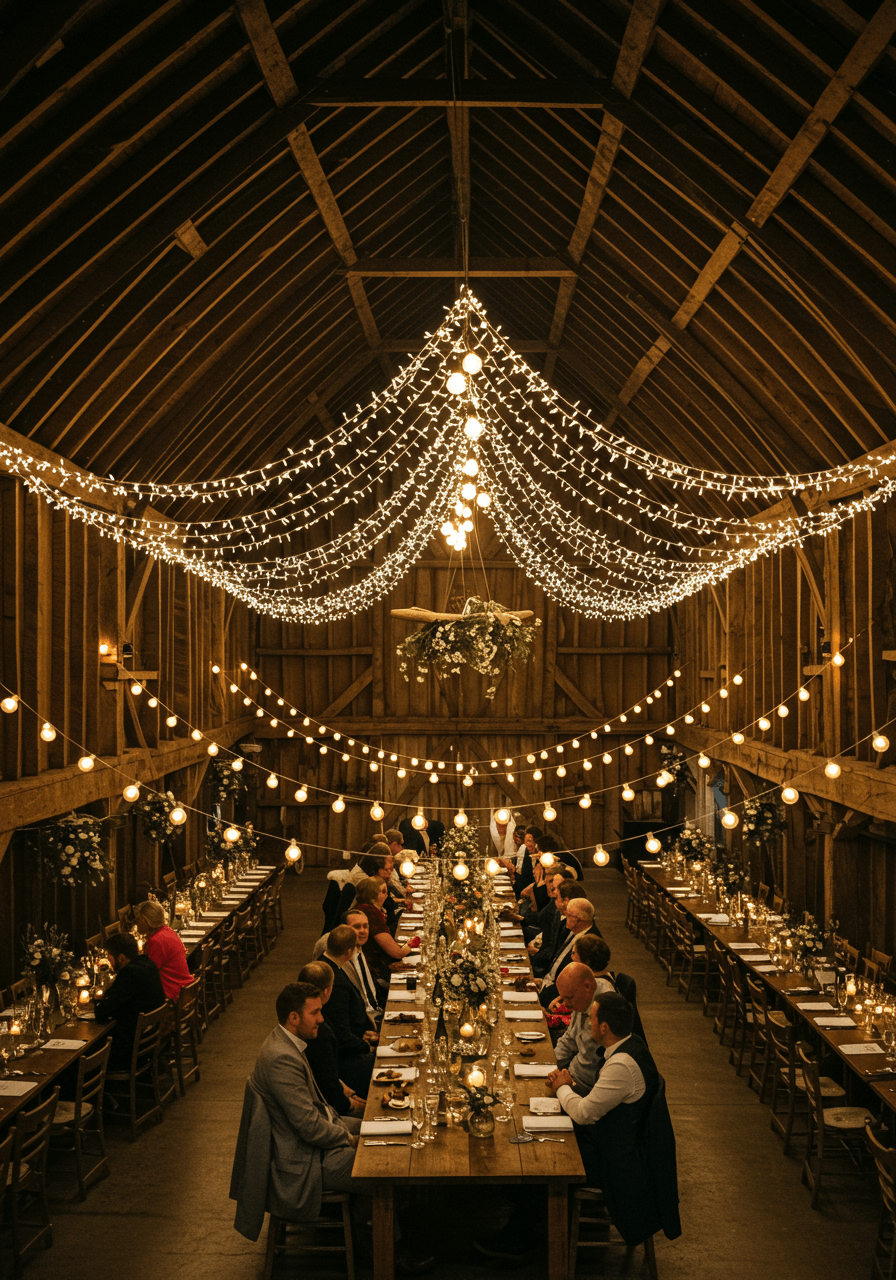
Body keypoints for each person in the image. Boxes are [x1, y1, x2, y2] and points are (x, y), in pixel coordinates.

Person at [231, 983, 435, 1273]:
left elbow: (316, 1114)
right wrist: (349, 1138)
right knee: (384, 1168)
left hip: (313, 1142)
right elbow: (311, 1129)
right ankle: (382, 1251)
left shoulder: (287, 1043)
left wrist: (358, 1128)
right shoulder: (281, 1059)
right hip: (302, 1161)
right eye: (314, 1013)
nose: (321, 1019)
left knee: (388, 1129)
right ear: (294, 1017)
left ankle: (368, 1226)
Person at [546, 991, 680, 1248]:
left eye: (591, 1020)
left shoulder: (621, 1066)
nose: (588, 1025)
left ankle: (542, 1234)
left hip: (617, 1162)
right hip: (617, 1141)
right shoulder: (633, 1044)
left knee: (550, 1158)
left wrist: (562, 1087)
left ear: (604, 1027)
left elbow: (584, 1114)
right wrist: (570, 1087)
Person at [298, 962, 366, 1117]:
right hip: (327, 1111)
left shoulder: (305, 1016)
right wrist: (366, 1110)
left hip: (333, 1090)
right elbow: (331, 1093)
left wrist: (346, 1089)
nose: (320, 1018)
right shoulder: (317, 1032)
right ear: (328, 991)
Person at [317, 924, 378, 1093]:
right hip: (346, 1059)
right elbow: (341, 1035)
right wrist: (366, 1046)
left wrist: (361, 1034)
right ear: (350, 952)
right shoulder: (335, 982)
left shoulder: (328, 964)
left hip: (352, 1042)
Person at [93, 931, 167, 1070]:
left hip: (131, 1049)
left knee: (87, 1051)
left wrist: (97, 998)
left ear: (120, 957)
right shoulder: (147, 963)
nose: (108, 961)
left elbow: (102, 1012)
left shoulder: (129, 974)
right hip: (150, 1039)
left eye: (109, 957)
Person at [551, 959, 613, 1089]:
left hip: (585, 1086)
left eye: (569, 997)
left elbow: (592, 1065)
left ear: (587, 987)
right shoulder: (584, 998)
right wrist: (549, 1065)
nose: (566, 1004)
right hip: (571, 1075)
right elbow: (568, 1041)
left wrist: (566, 1087)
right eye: (563, 998)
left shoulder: (605, 1012)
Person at [353, 876, 416, 988]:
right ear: (372, 895)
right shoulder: (371, 913)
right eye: (383, 892)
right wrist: (416, 941)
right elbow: (398, 953)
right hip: (376, 972)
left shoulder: (365, 908)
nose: (387, 896)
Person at [538, 897, 599, 1007]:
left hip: (560, 993)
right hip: (548, 981)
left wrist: (544, 989)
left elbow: (576, 984)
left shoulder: (589, 942)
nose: (565, 918)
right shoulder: (572, 931)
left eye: (569, 916)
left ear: (578, 919)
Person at [135, 898, 193, 1001]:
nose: (136, 924)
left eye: (137, 920)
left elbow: (147, 973)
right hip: (184, 988)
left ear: (145, 920)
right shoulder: (167, 931)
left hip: (172, 995)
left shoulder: (156, 941)